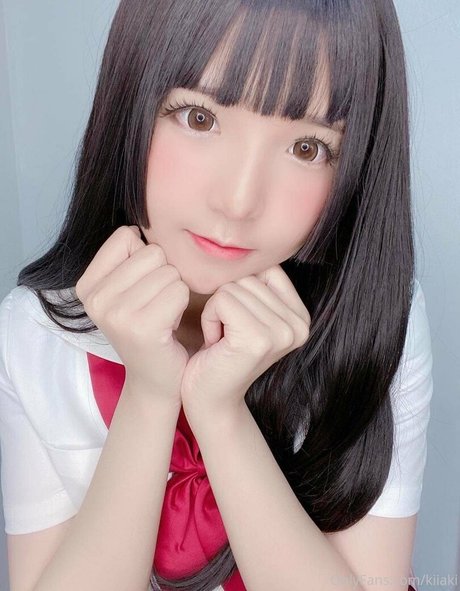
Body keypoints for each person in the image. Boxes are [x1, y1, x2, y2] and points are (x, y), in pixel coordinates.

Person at [0, 1, 433, 590]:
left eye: (307, 148)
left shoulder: (376, 320)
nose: (238, 201)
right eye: (199, 118)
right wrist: (151, 394)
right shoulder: (37, 334)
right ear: (131, 102)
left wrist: (221, 413)